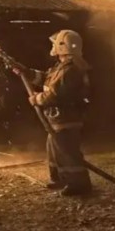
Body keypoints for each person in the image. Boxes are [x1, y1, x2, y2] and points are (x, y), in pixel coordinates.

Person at [20, 30, 92, 196]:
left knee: (67, 154)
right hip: (58, 118)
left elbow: (55, 94)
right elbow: (46, 79)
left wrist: (37, 99)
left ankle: (78, 185)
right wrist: (26, 72)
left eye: (55, 43)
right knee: (54, 151)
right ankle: (59, 179)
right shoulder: (62, 67)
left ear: (62, 46)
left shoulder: (71, 70)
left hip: (66, 118)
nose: (52, 46)